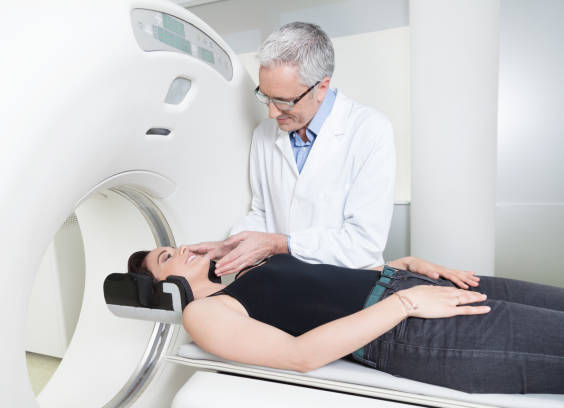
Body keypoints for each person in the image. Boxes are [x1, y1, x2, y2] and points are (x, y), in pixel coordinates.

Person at [128, 246, 564, 394]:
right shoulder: (203, 312)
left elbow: (324, 287)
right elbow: (299, 355)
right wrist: (406, 304)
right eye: (169, 256)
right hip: (407, 327)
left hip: (411, 285)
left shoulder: (245, 272)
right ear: (161, 286)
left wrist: (403, 265)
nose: (182, 248)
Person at [188, 22, 396, 276]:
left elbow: (363, 244)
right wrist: (231, 246)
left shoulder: (370, 130)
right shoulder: (265, 133)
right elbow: (264, 212)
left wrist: (281, 244)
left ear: (321, 88)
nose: (272, 112)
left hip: (348, 284)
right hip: (288, 281)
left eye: (283, 102)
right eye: (265, 96)